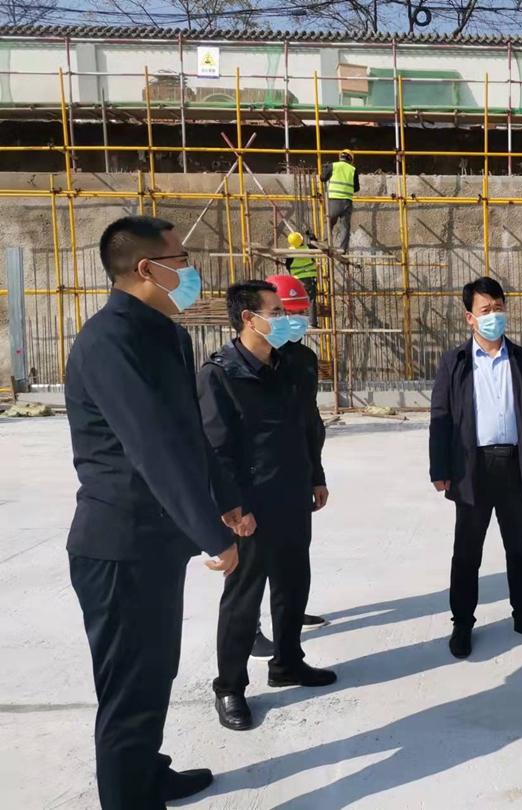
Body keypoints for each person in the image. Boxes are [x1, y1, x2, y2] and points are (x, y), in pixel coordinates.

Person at [65, 215, 245, 810]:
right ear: (147, 269)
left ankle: (147, 775)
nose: (192, 271)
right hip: (119, 547)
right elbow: (152, 447)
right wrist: (210, 533)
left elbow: (189, 432)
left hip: (156, 543)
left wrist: (226, 500)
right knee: (128, 693)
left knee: (154, 673)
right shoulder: (108, 342)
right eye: (182, 259)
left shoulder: (166, 335)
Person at [197, 281, 336, 732]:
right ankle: (230, 687)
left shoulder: (290, 365)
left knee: (294, 583)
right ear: (248, 319)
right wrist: (234, 507)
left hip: (292, 493)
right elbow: (216, 450)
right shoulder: (220, 374)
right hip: (250, 505)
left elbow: (307, 426)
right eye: (276, 312)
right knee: (243, 598)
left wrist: (316, 474)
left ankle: (288, 663)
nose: (285, 319)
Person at [429, 277, 522, 660]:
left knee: (520, 547)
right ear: (470, 317)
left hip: (515, 465)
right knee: (467, 551)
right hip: (471, 468)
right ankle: (462, 622)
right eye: (485, 310)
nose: (494, 315)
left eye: (499, 307)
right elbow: (440, 418)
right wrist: (439, 468)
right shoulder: (454, 362)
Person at [250, 274, 330, 661]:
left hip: (295, 475)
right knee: (253, 564)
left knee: (293, 558)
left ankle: (289, 615)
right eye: (286, 312)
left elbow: (309, 421)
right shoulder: (243, 361)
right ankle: (249, 627)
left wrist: (317, 474)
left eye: (300, 312)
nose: (295, 320)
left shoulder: (304, 359)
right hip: (256, 482)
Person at [321, 150, 359, 252]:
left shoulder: (333, 166)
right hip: (347, 201)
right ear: (351, 159)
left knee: (329, 222)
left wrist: (325, 171)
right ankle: (343, 248)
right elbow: (356, 188)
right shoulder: (353, 169)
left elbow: (323, 178)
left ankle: (325, 243)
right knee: (345, 226)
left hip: (334, 200)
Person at [285, 231, 319, 319]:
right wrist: (312, 237)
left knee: (297, 300)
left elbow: (288, 266)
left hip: (297, 280)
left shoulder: (289, 252)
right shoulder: (307, 247)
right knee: (311, 300)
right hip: (309, 277)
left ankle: (297, 319)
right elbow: (317, 246)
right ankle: (312, 322)